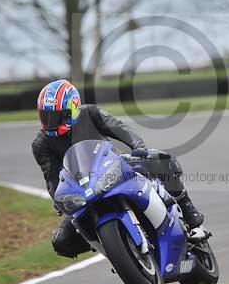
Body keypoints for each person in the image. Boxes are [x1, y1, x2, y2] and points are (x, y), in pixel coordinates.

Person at [31, 79, 204, 258]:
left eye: (56, 116)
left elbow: (120, 128)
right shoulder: (41, 144)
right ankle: (115, 246)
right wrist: (59, 199)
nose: (50, 122)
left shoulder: (90, 113)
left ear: (73, 108)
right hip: (82, 191)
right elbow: (51, 178)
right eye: (45, 116)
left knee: (159, 160)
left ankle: (191, 217)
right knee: (61, 242)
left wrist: (138, 145)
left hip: (113, 166)